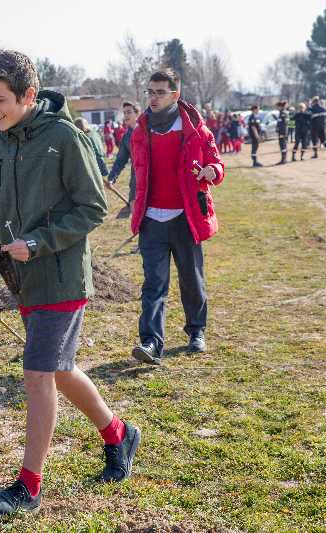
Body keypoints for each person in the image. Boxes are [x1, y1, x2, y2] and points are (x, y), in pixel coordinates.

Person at [0, 50, 139, 518]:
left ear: (29, 95)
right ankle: (119, 435)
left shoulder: (65, 137)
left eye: (0, 99)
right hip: (21, 277)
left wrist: (40, 241)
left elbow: (93, 207)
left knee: (39, 374)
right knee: (60, 370)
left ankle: (28, 487)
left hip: (62, 276)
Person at [128, 68, 224, 366]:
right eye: (150, 92)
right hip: (152, 220)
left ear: (175, 94)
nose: (153, 98)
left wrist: (212, 172)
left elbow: (217, 164)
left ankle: (196, 331)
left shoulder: (195, 129)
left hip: (186, 218)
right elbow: (138, 173)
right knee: (153, 284)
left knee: (191, 279)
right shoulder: (141, 129)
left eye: (160, 92)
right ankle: (151, 343)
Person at [106, 101, 142, 218]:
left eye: (129, 112)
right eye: (124, 113)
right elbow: (120, 160)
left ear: (137, 114)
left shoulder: (148, 131)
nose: (125, 115)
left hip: (153, 178)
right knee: (135, 210)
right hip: (136, 180)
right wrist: (112, 178)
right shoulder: (126, 137)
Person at [275, 101, 289, 165]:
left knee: (283, 145)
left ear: (281, 106)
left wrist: (283, 133)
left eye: (278, 106)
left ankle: (284, 160)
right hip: (282, 132)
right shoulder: (281, 113)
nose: (277, 108)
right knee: (282, 145)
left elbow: (285, 124)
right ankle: (283, 159)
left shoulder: (283, 113)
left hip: (283, 132)